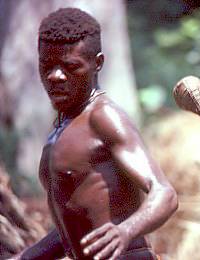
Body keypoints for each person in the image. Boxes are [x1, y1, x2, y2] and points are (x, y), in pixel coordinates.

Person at [13, 7, 178, 260]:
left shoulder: (103, 117)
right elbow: (74, 232)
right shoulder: (63, 126)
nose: (55, 76)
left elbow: (165, 194)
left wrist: (125, 232)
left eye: (70, 67)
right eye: (47, 65)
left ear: (97, 63)